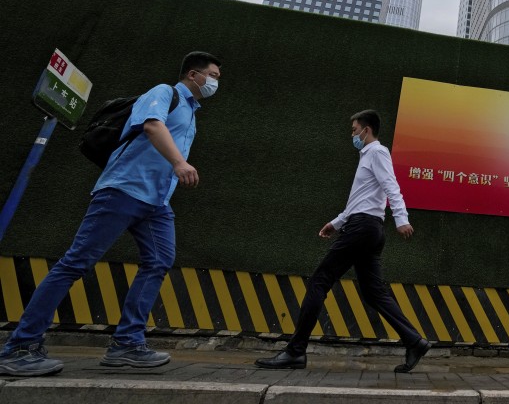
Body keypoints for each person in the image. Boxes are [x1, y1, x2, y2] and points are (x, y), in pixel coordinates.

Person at [0, 52, 222, 377]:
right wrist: (179, 162)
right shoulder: (165, 92)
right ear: (193, 74)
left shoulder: (191, 112)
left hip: (156, 203)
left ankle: (126, 345)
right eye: (213, 75)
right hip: (122, 191)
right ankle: (20, 347)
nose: (216, 82)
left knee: (159, 261)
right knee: (76, 263)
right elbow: (151, 125)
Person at [255, 109, 430, 373]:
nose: (353, 134)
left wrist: (401, 218)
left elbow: (391, 186)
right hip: (366, 227)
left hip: (363, 228)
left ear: (366, 130)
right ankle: (414, 341)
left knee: (319, 281)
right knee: (373, 292)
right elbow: (360, 199)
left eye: (354, 129)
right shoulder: (366, 157)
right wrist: (336, 223)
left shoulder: (377, 153)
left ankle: (295, 352)